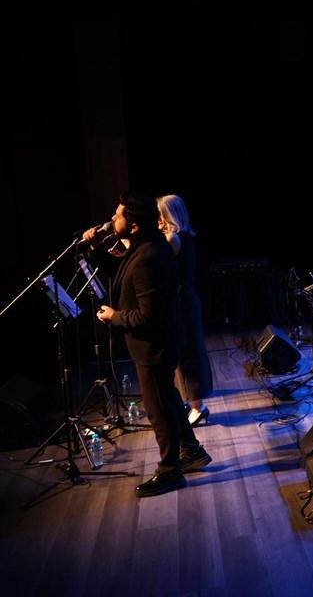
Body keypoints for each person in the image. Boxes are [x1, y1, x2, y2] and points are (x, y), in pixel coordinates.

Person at [83, 192, 211, 498]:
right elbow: (119, 274)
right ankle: (192, 451)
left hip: (154, 346)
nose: (111, 219)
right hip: (157, 343)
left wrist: (114, 317)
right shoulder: (145, 248)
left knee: (158, 411)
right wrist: (94, 248)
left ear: (134, 225)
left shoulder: (148, 257)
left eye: (117, 215)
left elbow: (147, 316)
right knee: (169, 401)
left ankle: (170, 471)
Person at [157, 194, 212, 427]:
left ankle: (198, 407)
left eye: (160, 214)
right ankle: (193, 404)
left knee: (187, 355)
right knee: (186, 353)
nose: (157, 220)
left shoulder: (173, 238)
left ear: (167, 215)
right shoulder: (184, 235)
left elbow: (158, 265)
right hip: (186, 300)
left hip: (182, 303)